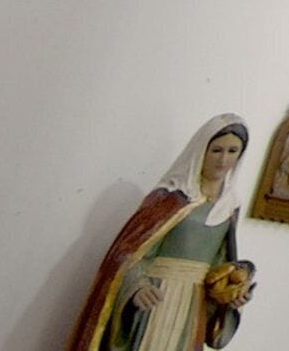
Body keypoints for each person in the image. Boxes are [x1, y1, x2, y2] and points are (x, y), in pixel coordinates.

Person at [64, 115, 258, 351]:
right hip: (158, 297)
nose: (223, 160)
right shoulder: (170, 197)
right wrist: (136, 286)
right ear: (202, 150)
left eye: (232, 151)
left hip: (193, 306)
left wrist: (232, 293)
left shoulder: (229, 207)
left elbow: (219, 267)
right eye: (216, 150)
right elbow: (129, 254)